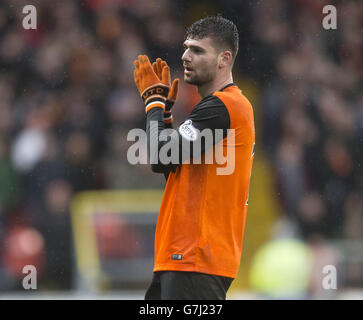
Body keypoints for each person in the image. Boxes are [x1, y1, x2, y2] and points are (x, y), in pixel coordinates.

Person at [133, 16, 255, 300]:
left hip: (195, 256)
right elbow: (169, 164)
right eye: (187, 48)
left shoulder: (225, 106)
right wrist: (163, 115)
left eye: (198, 50)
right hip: (185, 257)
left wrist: (152, 101)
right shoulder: (215, 110)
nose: (186, 56)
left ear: (225, 59)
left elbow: (161, 155)